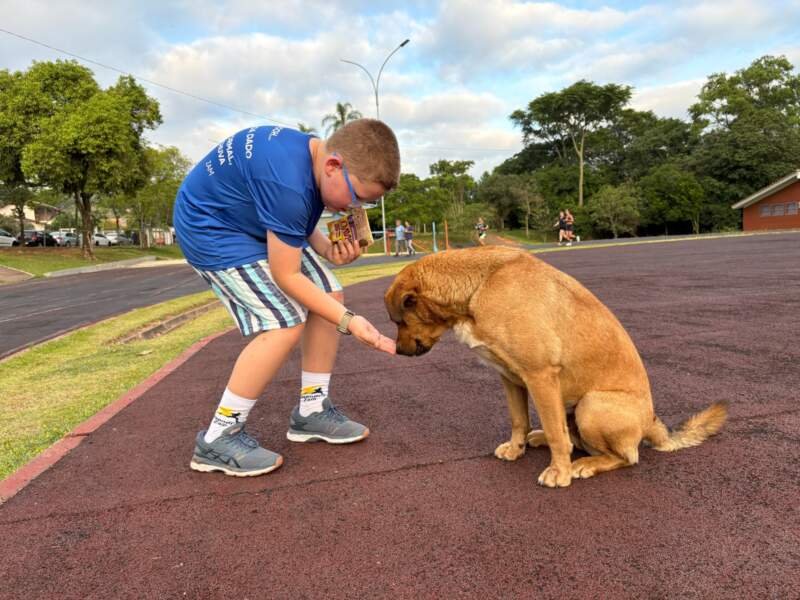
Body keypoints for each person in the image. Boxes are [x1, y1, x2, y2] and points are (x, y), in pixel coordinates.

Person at [173, 119, 400, 477]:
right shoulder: (286, 181)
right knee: (284, 321)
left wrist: (326, 247)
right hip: (212, 229)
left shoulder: (309, 158)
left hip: (249, 220)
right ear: (333, 166)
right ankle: (218, 437)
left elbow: (295, 212)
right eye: (358, 198)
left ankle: (311, 410)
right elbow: (287, 275)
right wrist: (350, 321)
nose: (354, 210)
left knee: (329, 292)